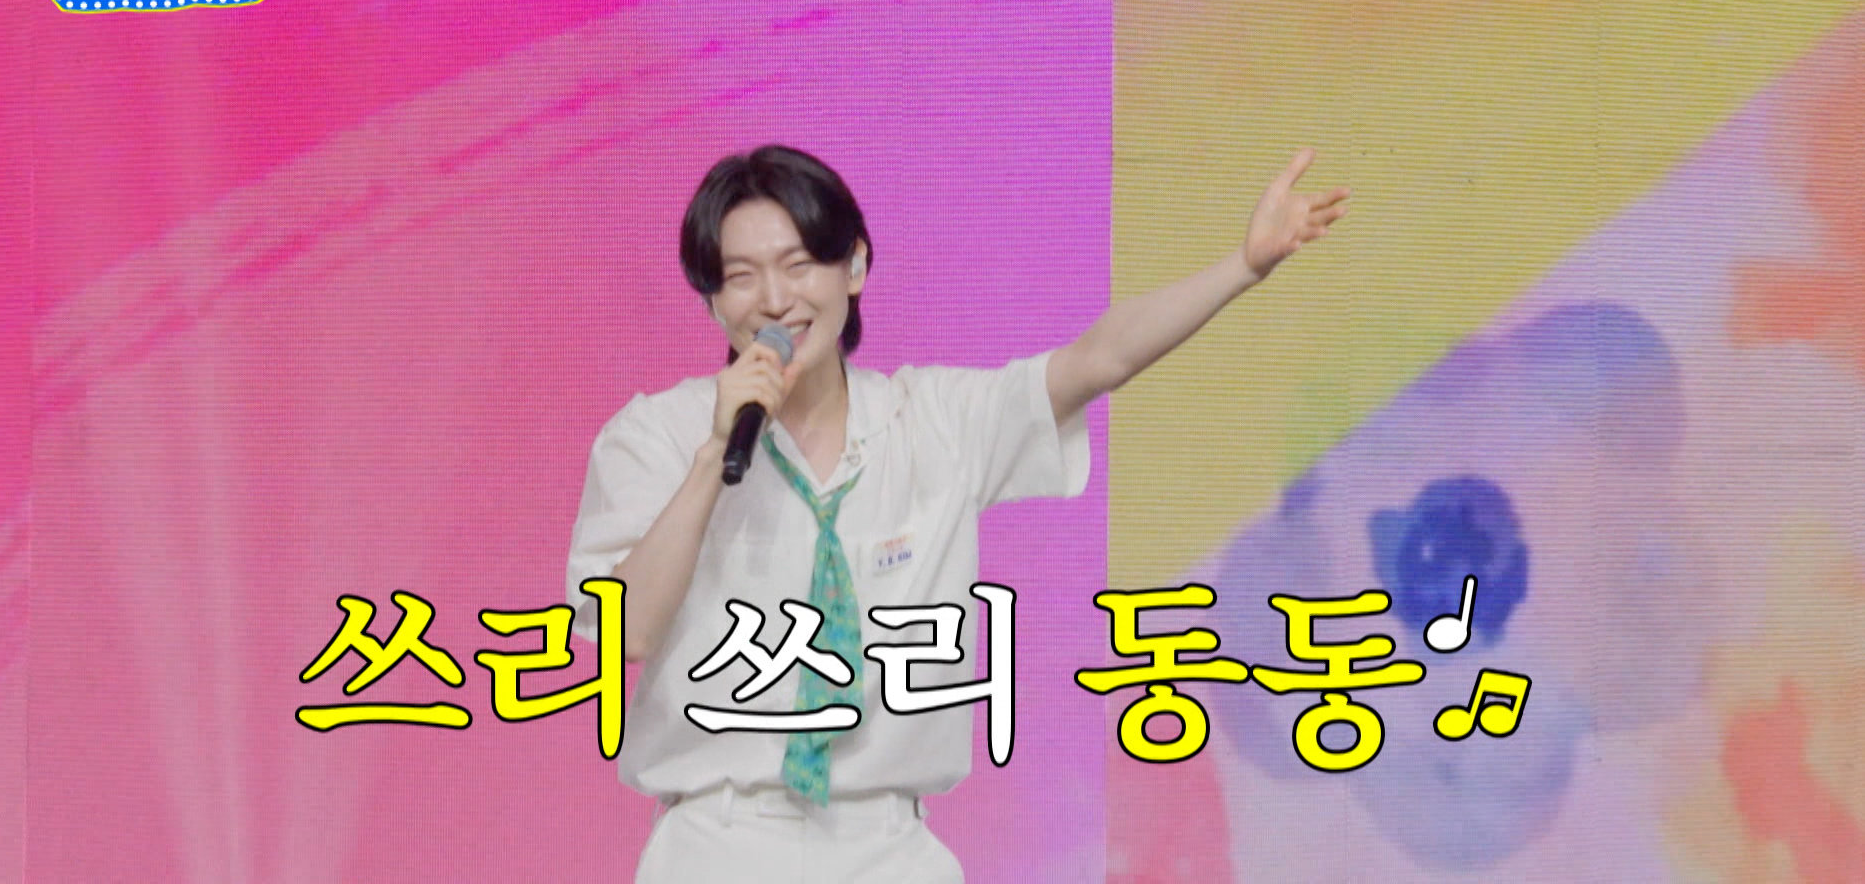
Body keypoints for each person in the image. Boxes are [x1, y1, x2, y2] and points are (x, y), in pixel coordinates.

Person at [567, 144, 1350, 883]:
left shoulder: (934, 421)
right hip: (718, 841)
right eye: (741, 277)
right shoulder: (657, 435)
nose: (774, 300)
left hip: (888, 843)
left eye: (799, 265)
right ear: (712, 300)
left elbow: (1097, 360)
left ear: (854, 265)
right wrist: (715, 455)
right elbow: (621, 631)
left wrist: (1244, 266)